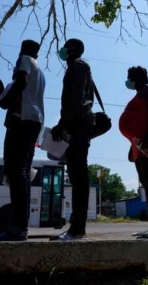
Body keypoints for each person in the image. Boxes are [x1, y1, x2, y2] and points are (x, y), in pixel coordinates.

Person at [0, 40, 45, 241]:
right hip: (33, 122)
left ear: (23, 50)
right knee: (22, 171)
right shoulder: (40, 70)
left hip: (21, 120)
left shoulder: (25, 60)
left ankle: (17, 227)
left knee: (16, 171)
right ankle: (20, 226)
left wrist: (4, 102)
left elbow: (20, 83)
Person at [50, 39, 94, 241]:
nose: (62, 50)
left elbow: (75, 99)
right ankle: (75, 227)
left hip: (77, 125)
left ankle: (77, 229)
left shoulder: (77, 66)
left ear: (74, 50)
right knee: (77, 175)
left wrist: (62, 124)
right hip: (77, 124)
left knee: (79, 176)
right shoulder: (79, 67)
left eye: (66, 47)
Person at [119, 66, 148, 240]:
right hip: (139, 144)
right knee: (145, 183)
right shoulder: (140, 93)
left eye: (129, 77)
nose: (128, 80)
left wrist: (145, 138)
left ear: (136, 78)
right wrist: (133, 144)